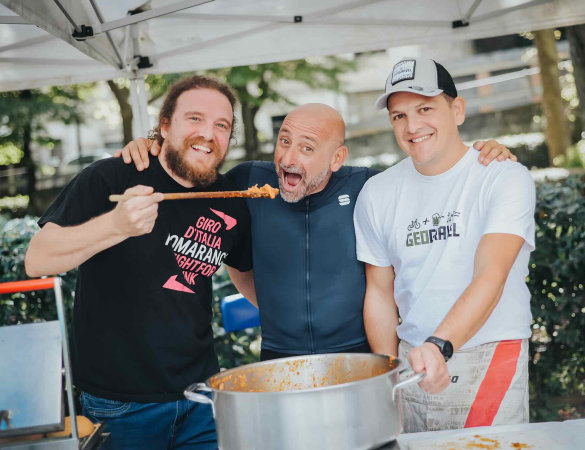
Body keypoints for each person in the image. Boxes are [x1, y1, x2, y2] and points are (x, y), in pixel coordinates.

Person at [119, 103, 516, 361]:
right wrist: (154, 145)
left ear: (337, 157)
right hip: (278, 356)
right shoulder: (247, 182)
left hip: (360, 356)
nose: (288, 157)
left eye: (307, 148)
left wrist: (483, 153)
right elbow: (190, 183)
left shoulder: (369, 187)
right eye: (284, 141)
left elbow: (433, 176)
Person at [25, 76, 253, 449]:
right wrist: (115, 225)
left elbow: (244, 271)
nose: (208, 134)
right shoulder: (111, 175)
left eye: (221, 125)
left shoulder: (229, 198)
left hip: (202, 396)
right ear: (165, 125)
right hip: (119, 405)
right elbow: (38, 259)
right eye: (194, 118)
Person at [353, 57, 535, 432]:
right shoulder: (377, 192)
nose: (412, 125)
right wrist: (387, 371)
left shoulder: (503, 177)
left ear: (457, 109)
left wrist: (439, 347)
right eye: (398, 115)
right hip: (411, 362)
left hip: (489, 355)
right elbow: (379, 294)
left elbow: (492, 275)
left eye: (424, 109)